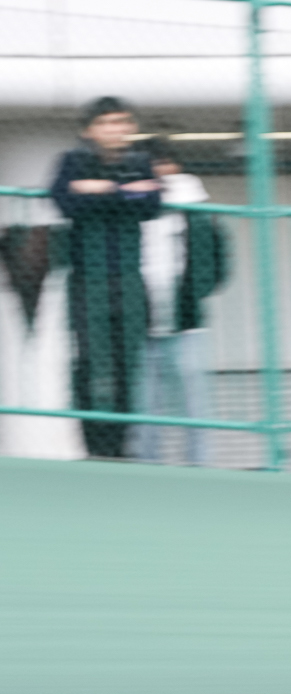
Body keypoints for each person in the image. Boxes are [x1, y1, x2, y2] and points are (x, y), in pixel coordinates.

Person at [49, 96, 161, 458]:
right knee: (93, 364)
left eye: (122, 122)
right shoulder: (73, 161)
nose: (117, 129)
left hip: (129, 278)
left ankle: (121, 447)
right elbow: (66, 202)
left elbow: (151, 205)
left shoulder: (141, 161)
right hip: (88, 278)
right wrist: (124, 192)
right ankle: (94, 445)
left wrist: (101, 190)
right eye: (107, 122)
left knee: (129, 364)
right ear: (89, 130)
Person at [135, 137, 228, 465]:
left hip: (187, 323)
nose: (161, 171)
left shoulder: (196, 212)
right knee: (146, 406)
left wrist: (193, 291)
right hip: (141, 324)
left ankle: (200, 469)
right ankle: (149, 470)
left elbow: (218, 259)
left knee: (194, 405)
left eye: (165, 163)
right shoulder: (131, 208)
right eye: (152, 164)